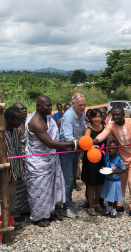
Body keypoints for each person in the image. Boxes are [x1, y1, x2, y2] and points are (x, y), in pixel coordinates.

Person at [25, 95, 74, 227]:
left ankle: (49, 212)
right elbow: (50, 144)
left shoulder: (48, 118)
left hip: (51, 159)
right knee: (39, 189)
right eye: (47, 106)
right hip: (38, 162)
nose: (50, 108)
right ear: (38, 106)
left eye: (50, 105)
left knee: (51, 187)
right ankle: (38, 217)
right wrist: (72, 144)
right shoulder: (36, 122)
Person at [94, 107, 131, 217]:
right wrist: (95, 140)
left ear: (124, 114)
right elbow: (104, 134)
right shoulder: (111, 125)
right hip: (121, 156)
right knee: (121, 181)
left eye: (118, 115)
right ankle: (120, 204)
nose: (115, 117)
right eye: (113, 115)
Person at [59, 93, 86, 218]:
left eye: (84, 105)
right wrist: (83, 142)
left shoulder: (82, 114)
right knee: (68, 179)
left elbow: (83, 130)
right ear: (73, 104)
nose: (83, 107)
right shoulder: (68, 116)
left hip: (76, 150)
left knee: (73, 177)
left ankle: (69, 200)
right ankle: (66, 207)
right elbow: (68, 137)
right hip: (67, 151)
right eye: (80, 105)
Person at [81, 108, 106, 216]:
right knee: (91, 183)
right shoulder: (88, 130)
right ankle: (91, 206)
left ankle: (97, 203)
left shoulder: (104, 128)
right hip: (91, 161)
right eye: (95, 117)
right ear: (90, 118)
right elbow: (85, 142)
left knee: (100, 182)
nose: (97, 119)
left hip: (102, 159)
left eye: (99, 116)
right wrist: (91, 145)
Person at [4, 106, 24, 220]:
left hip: (14, 172)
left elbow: (22, 147)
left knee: (11, 197)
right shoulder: (1, 133)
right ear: (10, 119)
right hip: (4, 172)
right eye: (18, 119)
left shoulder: (18, 131)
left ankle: (8, 221)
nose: (20, 122)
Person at [12, 102, 30, 217]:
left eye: (25, 108)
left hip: (28, 159)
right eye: (20, 109)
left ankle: (24, 209)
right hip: (16, 161)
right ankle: (13, 213)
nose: (23, 111)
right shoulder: (13, 126)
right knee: (15, 188)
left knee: (26, 186)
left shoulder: (29, 122)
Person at [100, 140, 126, 218]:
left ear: (117, 150)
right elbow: (104, 165)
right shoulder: (107, 157)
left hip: (115, 181)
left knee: (114, 197)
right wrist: (103, 167)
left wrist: (115, 172)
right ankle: (108, 209)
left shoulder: (118, 160)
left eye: (113, 148)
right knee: (109, 196)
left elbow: (123, 170)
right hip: (107, 180)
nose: (111, 150)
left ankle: (114, 210)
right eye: (110, 148)